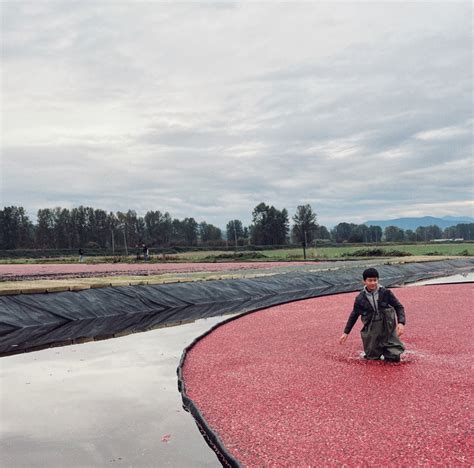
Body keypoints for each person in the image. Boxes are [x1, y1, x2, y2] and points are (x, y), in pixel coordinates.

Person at [339, 267, 406, 362]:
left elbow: (399, 307)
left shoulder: (386, 293)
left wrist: (401, 323)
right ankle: (373, 350)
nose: (373, 283)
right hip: (371, 330)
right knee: (372, 357)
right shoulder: (360, 298)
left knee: (394, 356)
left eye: (375, 280)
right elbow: (354, 315)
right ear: (364, 281)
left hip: (387, 328)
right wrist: (346, 332)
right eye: (370, 280)